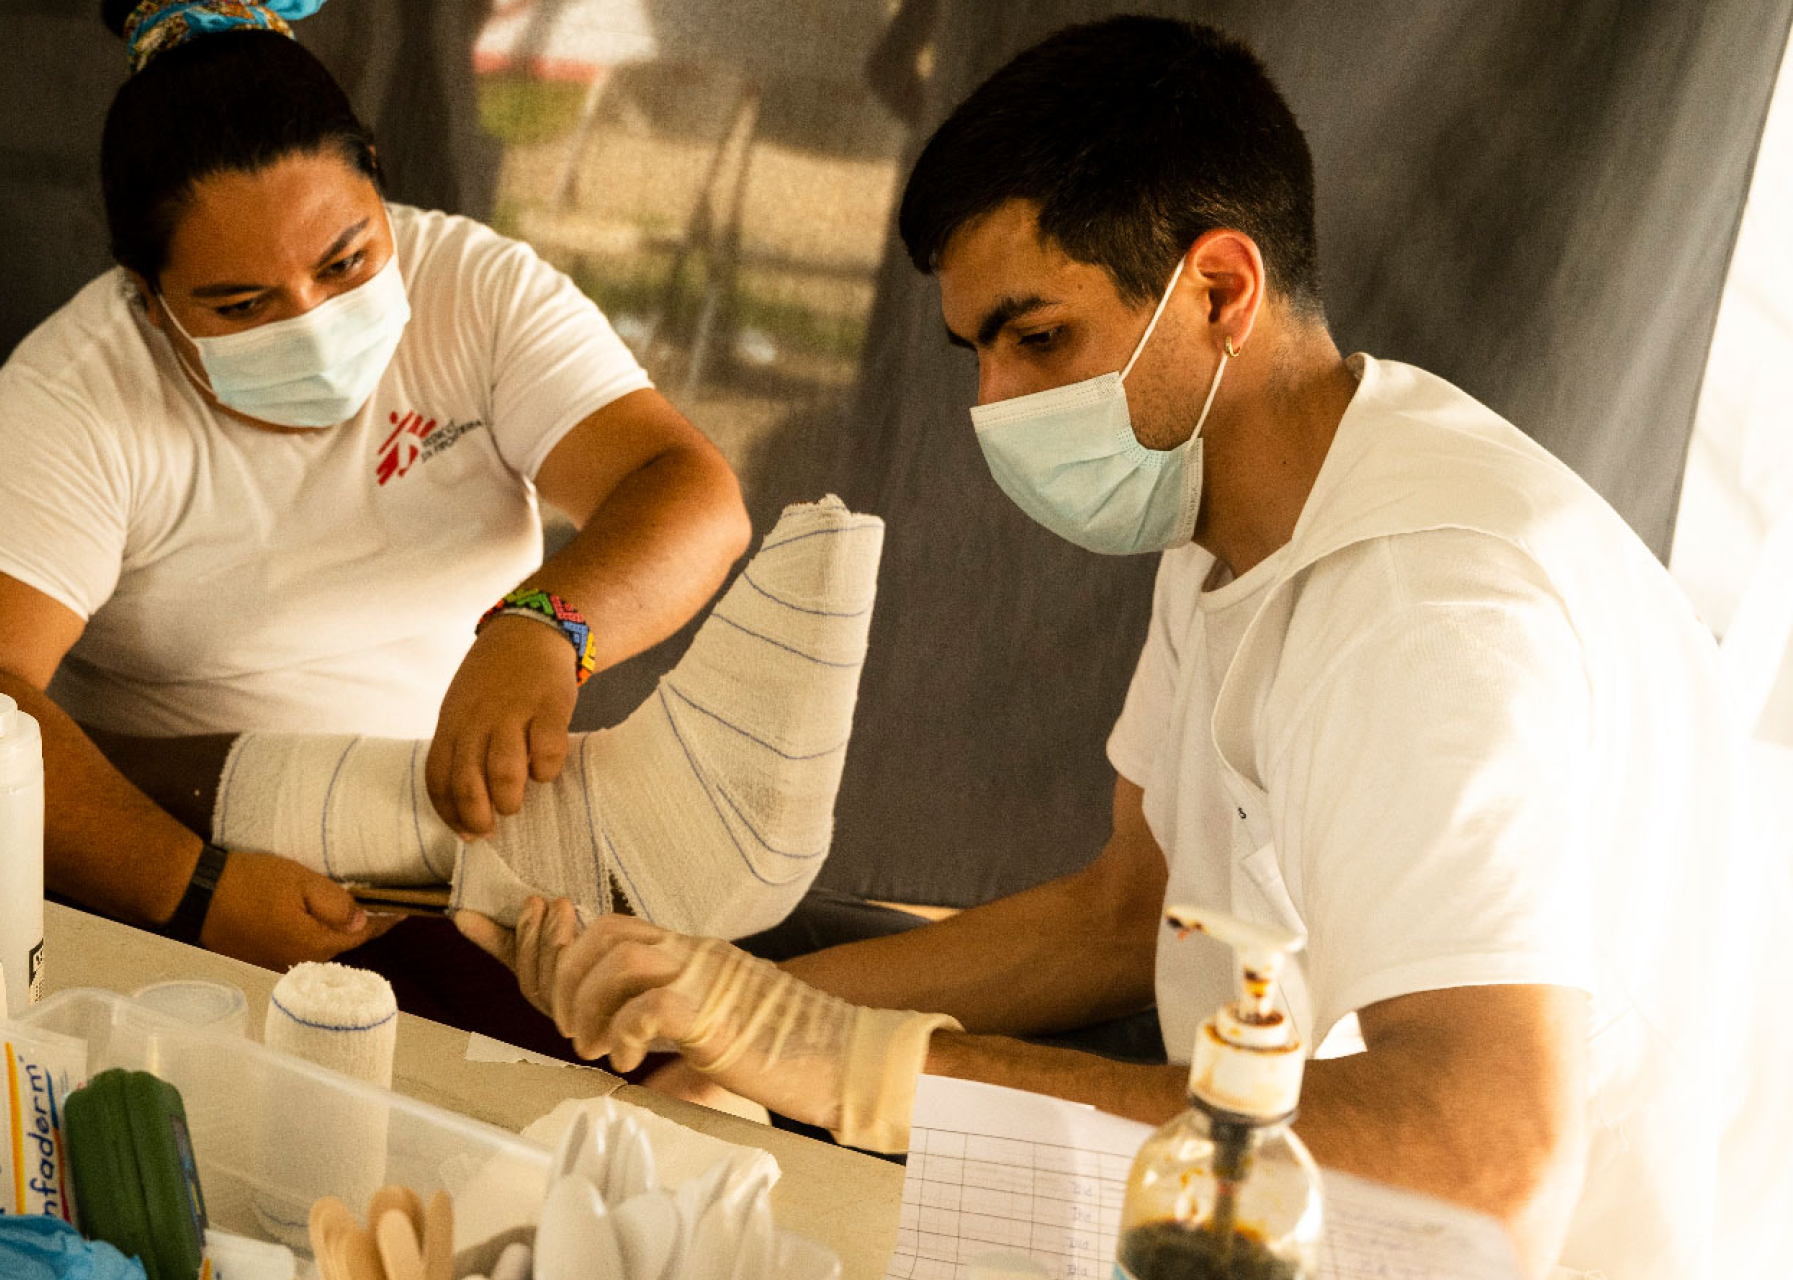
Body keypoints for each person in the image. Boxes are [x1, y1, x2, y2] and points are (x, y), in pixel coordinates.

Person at [461, 17, 1785, 1276]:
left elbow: (1483, 1161)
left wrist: (832, 1059)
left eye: (1040, 338)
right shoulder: (1229, 511)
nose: (993, 406)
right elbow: (1121, 916)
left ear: (1219, 287)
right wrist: (732, 1002)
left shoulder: (1427, 608)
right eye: (978, 352)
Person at [0, 0, 753, 972]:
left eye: (346, 260)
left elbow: (690, 494)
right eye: (242, 305)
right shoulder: (80, 395)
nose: (314, 322)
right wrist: (190, 886)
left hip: (472, 850)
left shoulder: (476, 293)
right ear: (147, 302)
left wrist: (545, 626)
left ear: (378, 180)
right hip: (198, 853)